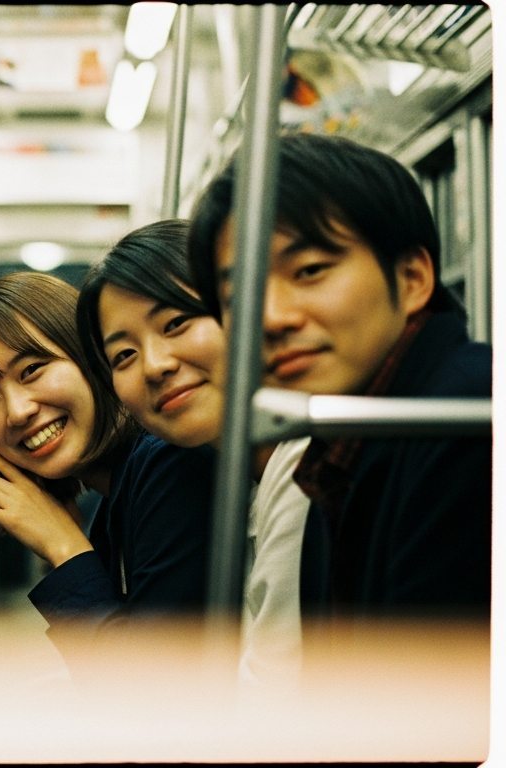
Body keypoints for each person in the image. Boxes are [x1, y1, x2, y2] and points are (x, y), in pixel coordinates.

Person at [185, 133, 490, 620]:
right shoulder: (340, 445)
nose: (271, 317)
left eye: (308, 271)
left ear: (412, 278)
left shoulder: (465, 421)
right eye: (238, 297)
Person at [0, 271, 216, 672]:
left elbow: (153, 694)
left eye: (32, 370)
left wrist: (63, 546)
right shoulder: (113, 499)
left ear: (93, 357)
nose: (17, 410)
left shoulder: (168, 463)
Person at [78, 220, 310, 688]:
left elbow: (273, 699)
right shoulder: (242, 477)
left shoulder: (303, 470)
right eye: (123, 356)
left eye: (176, 324)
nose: (156, 364)